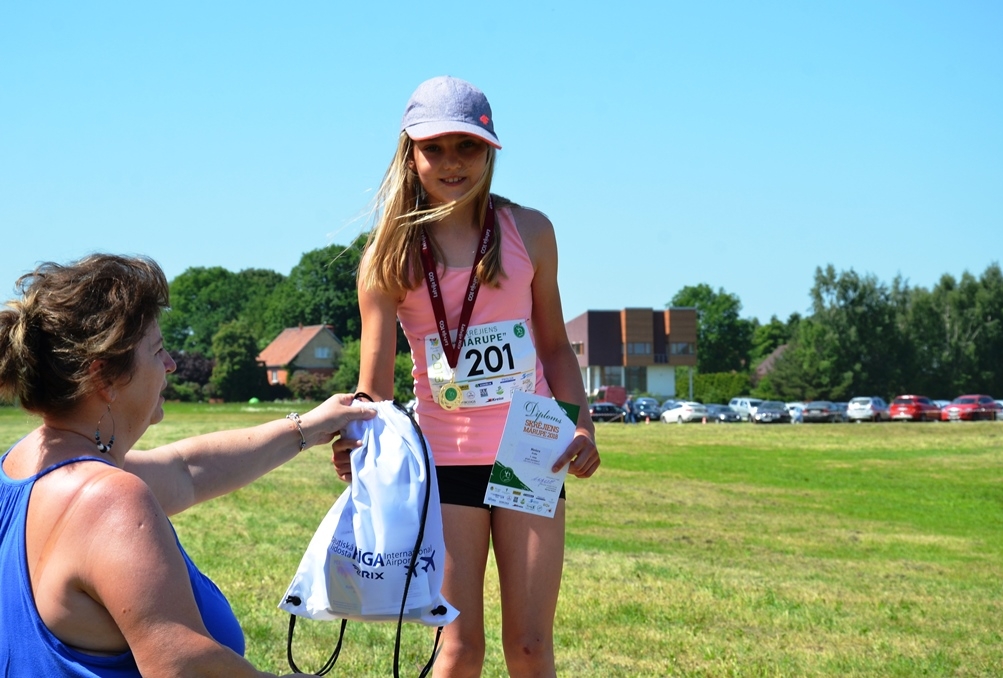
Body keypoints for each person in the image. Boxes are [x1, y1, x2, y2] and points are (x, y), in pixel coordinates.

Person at [334, 76, 601, 677]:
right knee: (458, 649)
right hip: (443, 461)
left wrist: (580, 425)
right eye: (436, 149)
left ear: (491, 151)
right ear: (410, 153)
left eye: (468, 147)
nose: (452, 163)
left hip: (531, 450)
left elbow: (555, 348)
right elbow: (374, 385)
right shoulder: (388, 256)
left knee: (531, 647)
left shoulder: (530, 231)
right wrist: (357, 440)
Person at [0, 254, 375, 677]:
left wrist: (309, 426)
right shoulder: (107, 500)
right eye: (158, 351)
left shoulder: (21, 467)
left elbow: (186, 470)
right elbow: (181, 666)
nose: (170, 365)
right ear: (103, 377)